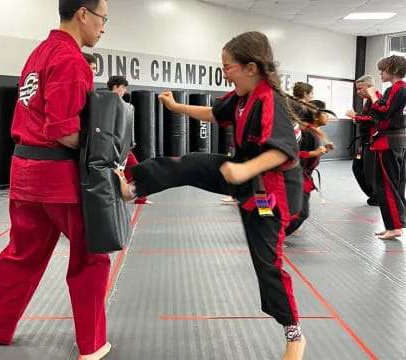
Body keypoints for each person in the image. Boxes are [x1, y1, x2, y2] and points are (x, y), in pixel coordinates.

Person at [121, 31, 306, 360]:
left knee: (267, 263)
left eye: (227, 67)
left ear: (250, 67)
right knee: (191, 163)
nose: (224, 73)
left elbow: (283, 152)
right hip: (245, 174)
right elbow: (214, 114)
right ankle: (133, 185)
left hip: (270, 194)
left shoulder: (269, 100)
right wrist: (175, 105)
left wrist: (243, 172)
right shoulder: (240, 95)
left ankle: (294, 333)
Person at [0, 1, 112, 359]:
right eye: (103, 19)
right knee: (91, 256)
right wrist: (106, 157)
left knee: (21, 255)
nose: (104, 27)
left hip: (25, 173)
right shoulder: (72, 60)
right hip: (58, 179)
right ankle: (92, 345)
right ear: (83, 14)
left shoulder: (39, 53)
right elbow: (63, 132)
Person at [366, 55, 406, 240]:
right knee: (395, 185)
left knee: (387, 186)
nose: (380, 73)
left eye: (383, 70)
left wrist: (373, 95)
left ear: (394, 70)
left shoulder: (397, 89)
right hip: (397, 142)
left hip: (389, 143)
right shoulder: (399, 90)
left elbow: (383, 113)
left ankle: (394, 227)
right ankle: (395, 224)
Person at [286, 100, 335, 236]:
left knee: (300, 212)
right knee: (299, 212)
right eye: (325, 113)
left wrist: (323, 149)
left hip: (302, 176)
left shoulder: (312, 132)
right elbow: (289, 154)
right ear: (315, 116)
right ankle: (274, 236)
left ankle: (276, 235)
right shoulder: (304, 132)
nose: (328, 117)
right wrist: (313, 153)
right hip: (295, 176)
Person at [107, 75, 153, 205]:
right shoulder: (106, 105)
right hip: (113, 148)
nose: (125, 91)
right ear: (115, 87)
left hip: (124, 147)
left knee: (136, 170)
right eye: (123, 87)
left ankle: (140, 198)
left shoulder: (124, 105)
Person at [345, 75, 381, 206]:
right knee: (357, 167)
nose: (358, 92)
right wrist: (357, 118)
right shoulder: (368, 101)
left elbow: (373, 119)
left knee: (370, 171)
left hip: (373, 142)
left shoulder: (377, 99)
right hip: (364, 142)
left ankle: (377, 197)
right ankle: (373, 195)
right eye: (357, 89)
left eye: (360, 88)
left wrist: (356, 116)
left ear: (369, 87)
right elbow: (367, 118)